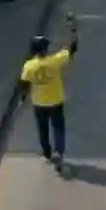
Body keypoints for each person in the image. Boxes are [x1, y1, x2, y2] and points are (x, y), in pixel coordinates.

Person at [19, 14, 81, 169]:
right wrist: (73, 28)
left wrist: (22, 99)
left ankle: (46, 152)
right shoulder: (55, 61)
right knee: (58, 127)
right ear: (45, 49)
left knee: (42, 128)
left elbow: (24, 85)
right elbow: (73, 47)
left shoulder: (29, 66)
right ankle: (59, 152)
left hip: (39, 103)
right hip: (56, 101)